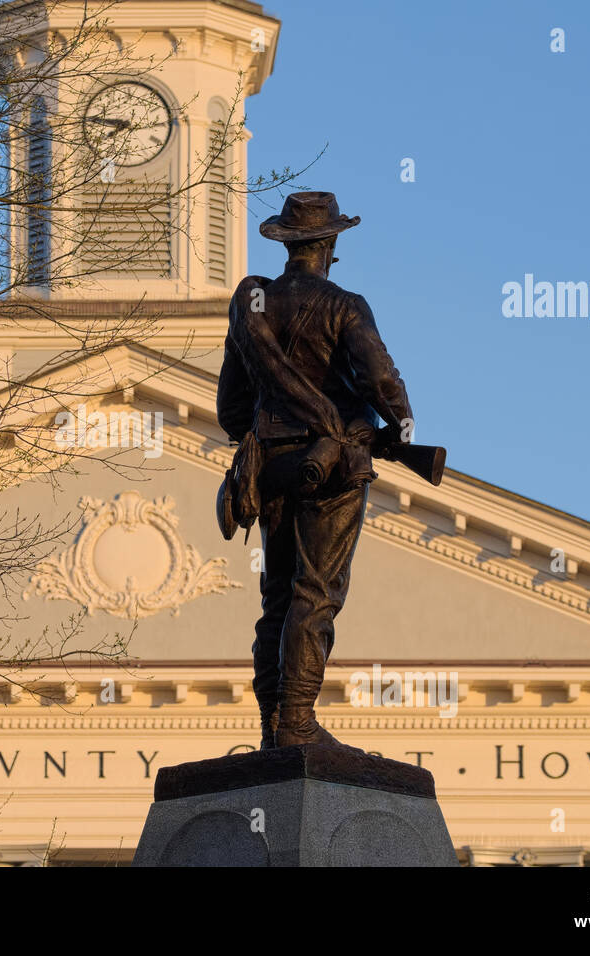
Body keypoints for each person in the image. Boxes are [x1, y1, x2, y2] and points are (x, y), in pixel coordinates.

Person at [217, 191, 415, 749]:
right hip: (329, 467)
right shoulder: (345, 305)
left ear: (286, 243)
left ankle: (271, 727)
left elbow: (231, 406)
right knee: (316, 593)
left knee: (276, 600)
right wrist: (400, 429)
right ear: (330, 245)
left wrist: (268, 433)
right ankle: (298, 725)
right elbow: (380, 379)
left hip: (270, 465)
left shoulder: (252, 305)